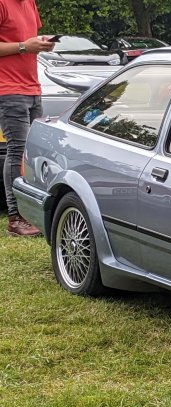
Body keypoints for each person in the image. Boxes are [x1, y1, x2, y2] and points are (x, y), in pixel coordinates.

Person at [0, 0, 55, 236]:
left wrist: (41, 43)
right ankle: (15, 218)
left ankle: (30, 212)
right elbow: (21, 44)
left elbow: (27, 39)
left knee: (31, 152)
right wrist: (24, 46)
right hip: (8, 89)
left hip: (33, 87)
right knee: (17, 150)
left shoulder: (29, 3)